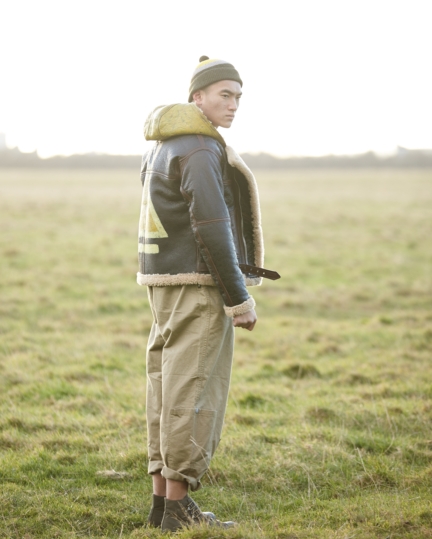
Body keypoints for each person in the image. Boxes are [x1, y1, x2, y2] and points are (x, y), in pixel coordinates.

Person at [137, 56, 270, 532]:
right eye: (224, 95)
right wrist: (239, 299)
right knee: (192, 391)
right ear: (198, 97)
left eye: (238, 96)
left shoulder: (165, 145)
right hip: (197, 286)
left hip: (163, 284)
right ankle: (177, 509)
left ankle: (161, 503)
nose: (233, 105)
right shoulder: (198, 148)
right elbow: (212, 228)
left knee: (165, 388)